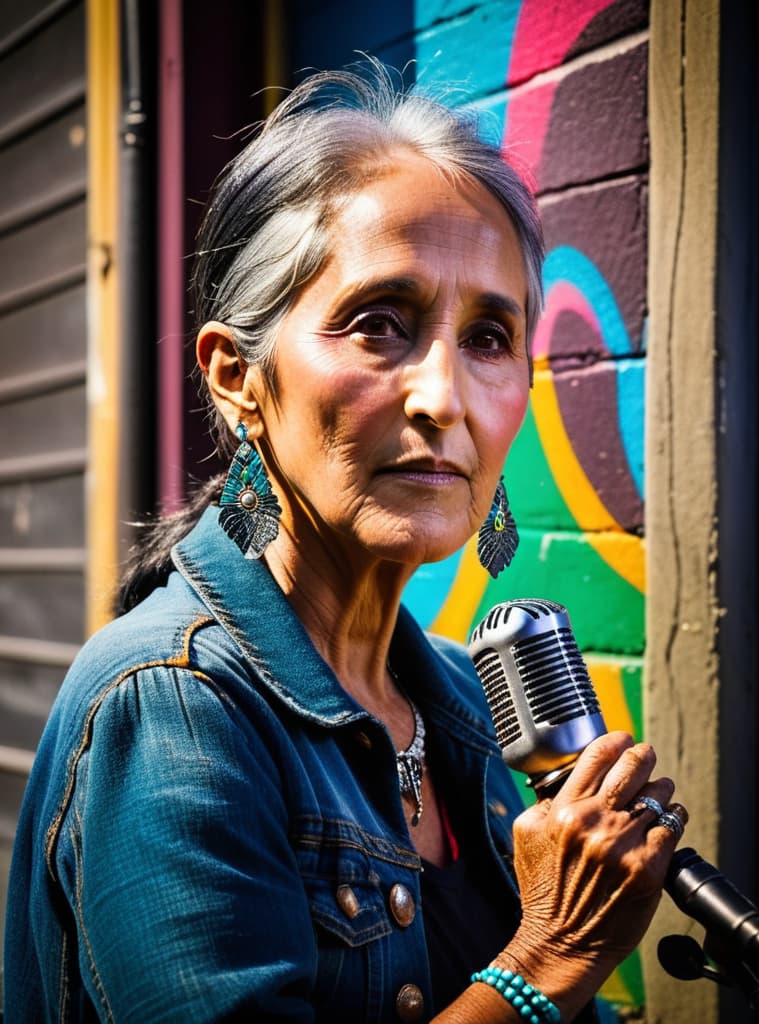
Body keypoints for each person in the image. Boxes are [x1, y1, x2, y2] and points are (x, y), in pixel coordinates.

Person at [3, 58, 687, 1023]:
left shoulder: (458, 702)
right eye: (381, 324)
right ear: (238, 376)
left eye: (490, 338)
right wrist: (553, 957)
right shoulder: (172, 708)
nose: (445, 398)